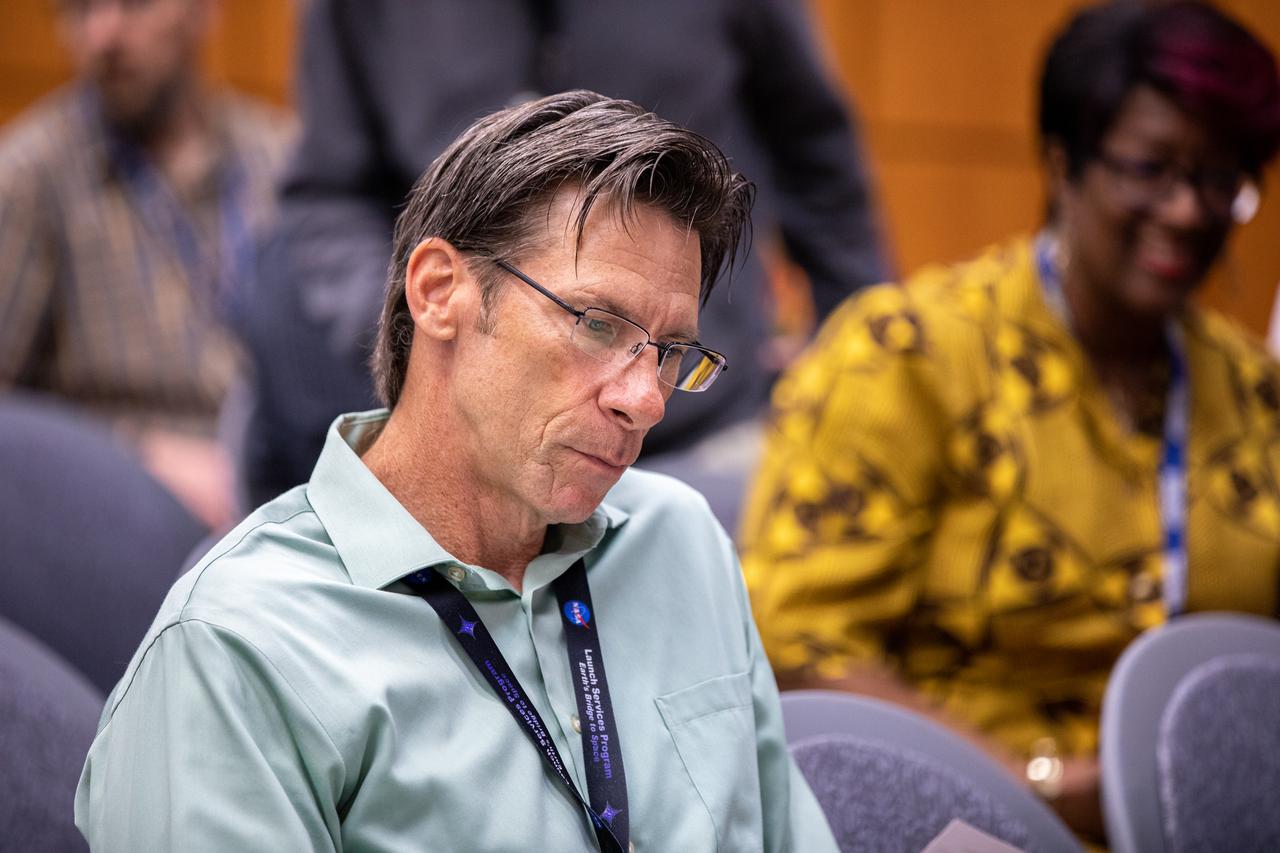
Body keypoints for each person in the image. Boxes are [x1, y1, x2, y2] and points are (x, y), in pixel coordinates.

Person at [75, 91, 838, 852]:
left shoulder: (682, 544)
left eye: (671, 353)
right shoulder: (238, 648)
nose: (645, 399)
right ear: (440, 292)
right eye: (598, 324)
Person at [739, 0, 1280, 842]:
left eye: (1221, 179)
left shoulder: (1253, 391)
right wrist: (1042, 788)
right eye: (1150, 168)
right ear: (1063, 164)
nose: (1187, 210)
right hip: (956, 817)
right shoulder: (910, 356)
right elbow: (798, 642)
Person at [237, 0, 891, 518]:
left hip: (696, 422)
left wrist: (857, 378)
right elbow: (327, 192)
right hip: (462, 412)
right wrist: (421, 335)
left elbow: (819, 165)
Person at [0, 0, 290, 531]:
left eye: (134, 3)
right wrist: (135, 454)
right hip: (113, 511)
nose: (103, 33)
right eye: (78, 9)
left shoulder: (278, 158)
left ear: (204, 11)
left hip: (280, 487)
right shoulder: (32, 179)